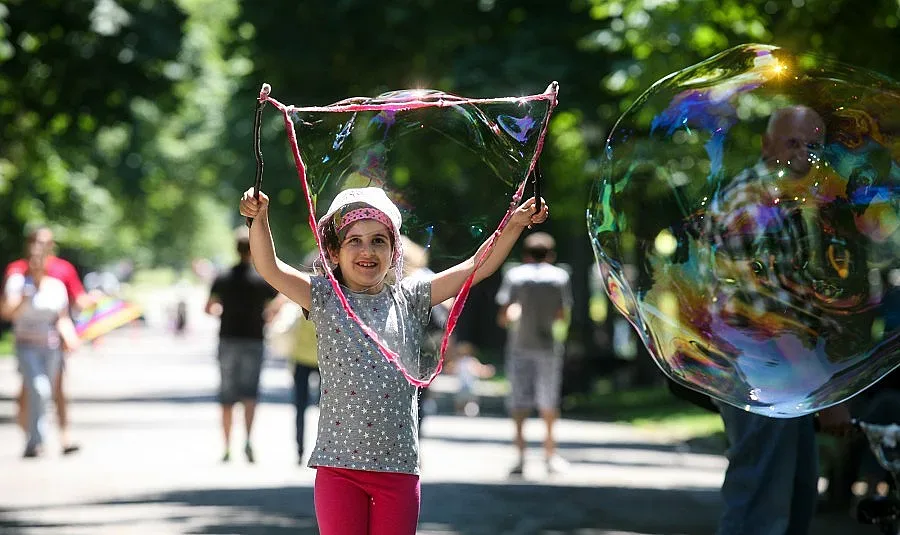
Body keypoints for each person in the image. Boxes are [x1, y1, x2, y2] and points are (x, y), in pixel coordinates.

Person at [239, 185, 548, 535]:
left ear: (393, 251)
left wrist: (515, 223)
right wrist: (259, 218)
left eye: (378, 241)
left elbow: (477, 267)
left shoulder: (411, 297)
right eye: (354, 241)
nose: (366, 250)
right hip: (338, 468)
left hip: (398, 469)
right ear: (334, 253)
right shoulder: (323, 296)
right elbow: (270, 267)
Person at [711, 105, 853, 535]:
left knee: (795, 493)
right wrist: (825, 387)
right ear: (766, 144)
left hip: (787, 365)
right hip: (760, 361)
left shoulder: (793, 200)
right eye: (793, 142)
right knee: (763, 500)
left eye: (813, 145)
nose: (804, 153)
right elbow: (767, 311)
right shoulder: (749, 202)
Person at [3, 225, 90, 455]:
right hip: (26, 342)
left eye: (45, 242)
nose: (40, 246)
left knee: (57, 388)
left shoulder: (62, 271)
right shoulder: (17, 272)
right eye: (36, 241)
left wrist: (75, 329)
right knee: (31, 389)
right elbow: (8, 308)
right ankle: (32, 435)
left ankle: (63, 436)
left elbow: (73, 302)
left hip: (52, 341)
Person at [495, 231, 572, 476]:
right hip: (547, 346)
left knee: (519, 402)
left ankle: (520, 457)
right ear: (550, 254)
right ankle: (550, 455)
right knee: (549, 402)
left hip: (519, 347)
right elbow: (562, 315)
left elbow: (505, 314)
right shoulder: (559, 277)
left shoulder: (515, 276)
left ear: (526, 254)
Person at [205, 227, 278, 463]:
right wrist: (268, 316)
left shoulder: (223, 276)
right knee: (250, 394)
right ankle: (248, 440)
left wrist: (221, 313)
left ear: (235, 249)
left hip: (227, 339)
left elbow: (209, 307)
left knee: (227, 395)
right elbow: (280, 301)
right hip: (255, 340)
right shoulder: (262, 278)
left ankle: (226, 446)